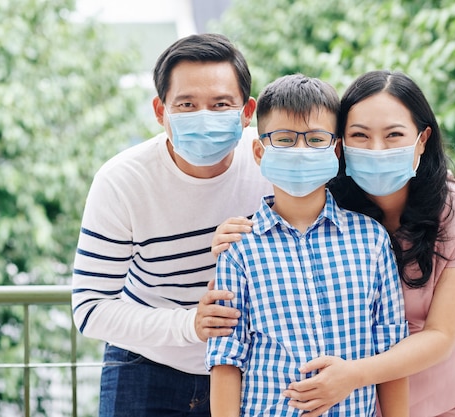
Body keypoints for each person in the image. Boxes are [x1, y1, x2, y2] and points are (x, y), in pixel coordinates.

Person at [211, 70, 455, 416]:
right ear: (342, 144)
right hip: (356, 397)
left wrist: (353, 375)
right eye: (360, 135)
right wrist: (230, 239)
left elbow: (441, 335)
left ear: (422, 139)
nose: (376, 149)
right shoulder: (324, 196)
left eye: (394, 135)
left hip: (441, 387)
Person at [70, 33, 272, 417]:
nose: (205, 116)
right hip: (145, 365)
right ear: (160, 111)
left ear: (247, 111)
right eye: (187, 104)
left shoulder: (271, 161)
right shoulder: (122, 181)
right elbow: (90, 308)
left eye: (220, 104)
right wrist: (188, 325)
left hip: (250, 365)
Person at [206, 73, 409, 417]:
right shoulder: (239, 248)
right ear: (259, 150)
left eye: (316, 139)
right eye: (284, 139)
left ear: (337, 150)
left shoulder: (371, 239)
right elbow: (226, 358)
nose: (300, 151)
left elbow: (390, 349)